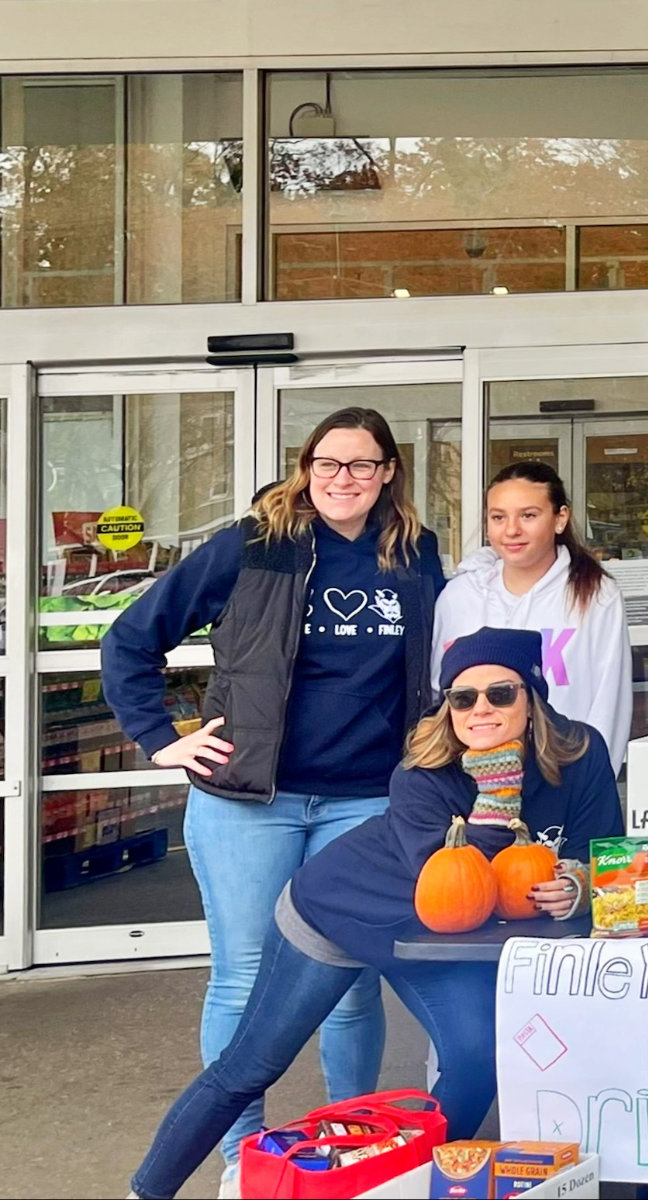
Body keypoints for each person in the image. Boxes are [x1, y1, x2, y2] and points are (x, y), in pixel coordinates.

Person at [126, 627, 623, 1200]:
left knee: (478, 1056)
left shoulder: (581, 754)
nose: (480, 709)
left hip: (438, 941)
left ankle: (401, 1187)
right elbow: (453, 873)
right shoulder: (422, 772)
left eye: (501, 694)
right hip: (338, 912)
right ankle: (147, 1190)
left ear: (534, 699)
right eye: (462, 698)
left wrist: (578, 884)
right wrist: (498, 786)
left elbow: (600, 849)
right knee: (251, 1066)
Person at [101, 407, 447, 1193]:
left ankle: (360, 1146)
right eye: (328, 464)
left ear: (388, 472)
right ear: (306, 467)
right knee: (243, 974)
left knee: (351, 980)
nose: (342, 480)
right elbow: (130, 639)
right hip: (249, 799)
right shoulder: (255, 543)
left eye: (361, 466)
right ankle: (238, 1156)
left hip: (365, 802)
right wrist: (163, 739)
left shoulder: (414, 553)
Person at [434, 460, 633, 767]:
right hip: (474, 780)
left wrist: (595, 776)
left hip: (564, 774)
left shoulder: (595, 593)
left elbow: (610, 699)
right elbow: (442, 694)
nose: (512, 530)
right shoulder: (459, 596)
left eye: (528, 515)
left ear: (560, 518)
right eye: (498, 517)